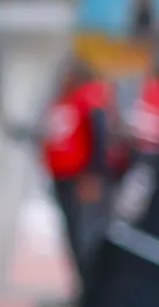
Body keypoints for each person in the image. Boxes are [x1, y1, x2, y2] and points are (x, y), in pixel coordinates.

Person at [38, 55, 114, 294]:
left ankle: (93, 288)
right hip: (62, 177)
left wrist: (93, 174)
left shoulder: (89, 99)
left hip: (80, 177)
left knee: (85, 234)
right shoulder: (64, 100)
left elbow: (98, 135)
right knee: (72, 233)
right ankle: (83, 287)